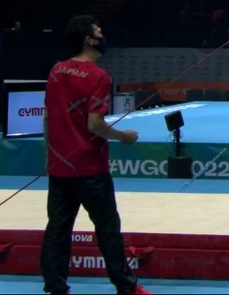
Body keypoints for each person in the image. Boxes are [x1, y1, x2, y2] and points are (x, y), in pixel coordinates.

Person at [40, 15, 150, 295]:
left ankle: (55, 287)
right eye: (99, 32)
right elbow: (95, 125)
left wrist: (50, 156)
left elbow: (47, 118)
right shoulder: (99, 76)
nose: (103, 36)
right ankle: (126, 287)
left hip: (59, 167)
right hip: (90, 169)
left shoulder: (56, 71)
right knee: (107, 229)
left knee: (57, 230)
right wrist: (123, 136)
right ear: (89, 40)